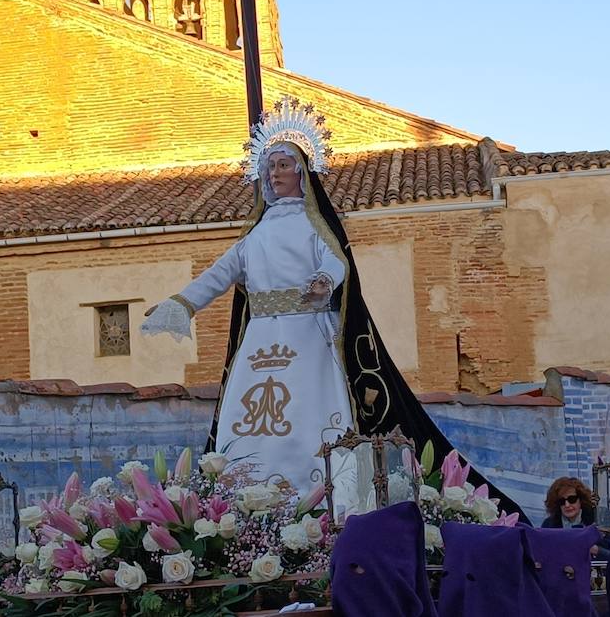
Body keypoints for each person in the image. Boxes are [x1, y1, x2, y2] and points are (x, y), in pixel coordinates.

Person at [140, 106, 525, 519]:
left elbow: (337, 259)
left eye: (284, 164)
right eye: (269, 166)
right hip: (259, 343)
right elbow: (218, 274)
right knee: (247, 419)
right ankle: (243, 503)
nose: (275, 173)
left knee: (310, 412)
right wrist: (180, 304)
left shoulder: (315, 224)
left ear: (303, 172)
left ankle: (319, 501)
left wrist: (325, 280)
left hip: (308, 333)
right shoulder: (254, 235)